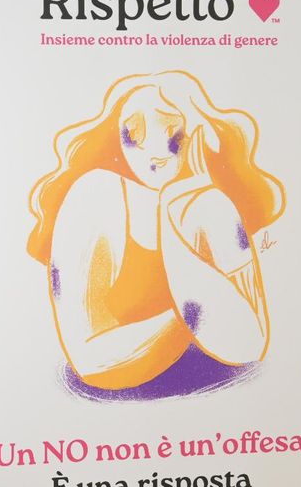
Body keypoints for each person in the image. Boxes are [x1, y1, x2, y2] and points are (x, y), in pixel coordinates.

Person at [27, 71, 285, 400]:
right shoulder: (94, 197)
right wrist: (196, 315)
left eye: (173, 133)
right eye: (134, 133)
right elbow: (91, 361)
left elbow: (249, 344)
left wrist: (174, 211)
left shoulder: (208, 205)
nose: (155, 151)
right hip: (114, 401)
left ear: (198, 134)